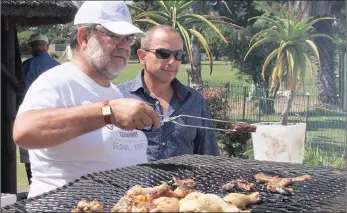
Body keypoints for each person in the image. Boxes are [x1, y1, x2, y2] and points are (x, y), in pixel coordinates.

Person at [13, 1, 160, 198]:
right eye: (114, 36)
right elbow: (24, 131)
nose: (124, 46)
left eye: (129, 38)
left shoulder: (114, 92)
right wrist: (107, 112)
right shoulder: (57, 81)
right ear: (84, 37)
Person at [118, 25, 220, 161]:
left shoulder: (195, 101)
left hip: (183, 182)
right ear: (142, 56)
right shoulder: (119, 97)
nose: (172, 62)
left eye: (179, 55)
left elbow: (209, 158)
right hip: (131, 182)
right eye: (163, 54)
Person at [19, 33, 61, 186]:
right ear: (47, 46)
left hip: (30, 121)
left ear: (31, 47)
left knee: (31, 164)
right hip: (57, 122)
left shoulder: (25, 67)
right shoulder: (59, 67)